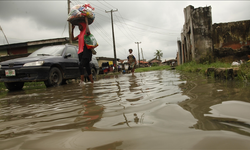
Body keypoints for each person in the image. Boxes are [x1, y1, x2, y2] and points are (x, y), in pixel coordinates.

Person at [71, 17, 94, 85]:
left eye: (80, 26)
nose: (79, 27)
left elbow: (88, 31)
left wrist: (86, 22)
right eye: (78, 26)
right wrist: (72, 29)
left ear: (83, 26)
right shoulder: (80, 34)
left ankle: (82, 82)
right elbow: (72, 39)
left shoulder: (86, 32)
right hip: (80, 53)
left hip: (86, 52)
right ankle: (92, 82)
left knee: (81, 65)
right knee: (87, 68)